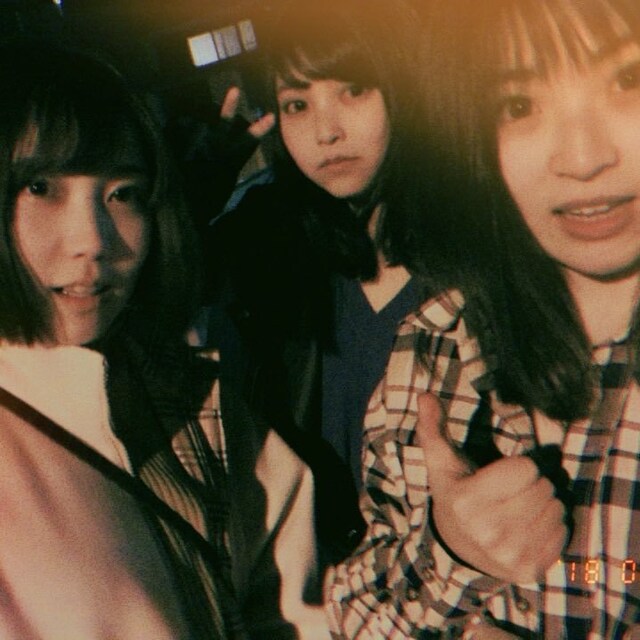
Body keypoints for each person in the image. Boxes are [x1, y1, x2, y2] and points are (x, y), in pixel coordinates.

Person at [327, 0, 640, 638]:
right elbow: (354, 613)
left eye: (628, 79)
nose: (582, 158)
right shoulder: (440, 341)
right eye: (519, 105)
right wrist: (451, 554)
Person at [0, 40, 329, 639]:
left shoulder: (201, 401)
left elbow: (292, 614)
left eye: (123, 194)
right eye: (41, 188)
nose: (93, 241)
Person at [205, 0, 430, 562]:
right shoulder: (271, 250)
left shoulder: (475, 264)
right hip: (313, 581)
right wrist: (199, 184)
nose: (326, 132)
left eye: (353, 90)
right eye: (297, 104)